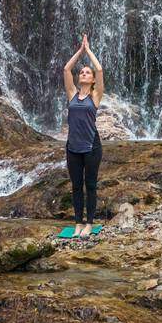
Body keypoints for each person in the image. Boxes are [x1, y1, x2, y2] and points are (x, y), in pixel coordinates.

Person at [62, 34, 103, 238]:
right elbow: (66, 69)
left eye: (87, 73)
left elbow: (100, 69)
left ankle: (89, 223)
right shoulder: (72, 94)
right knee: (76, 186)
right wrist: (80, 51)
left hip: (92, 146)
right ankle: (78, 222)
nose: (84, 73)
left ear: (93, 79)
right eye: (83, 72)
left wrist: (89, 52)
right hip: (72, 147)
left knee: (91, 185)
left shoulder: (95, 96)